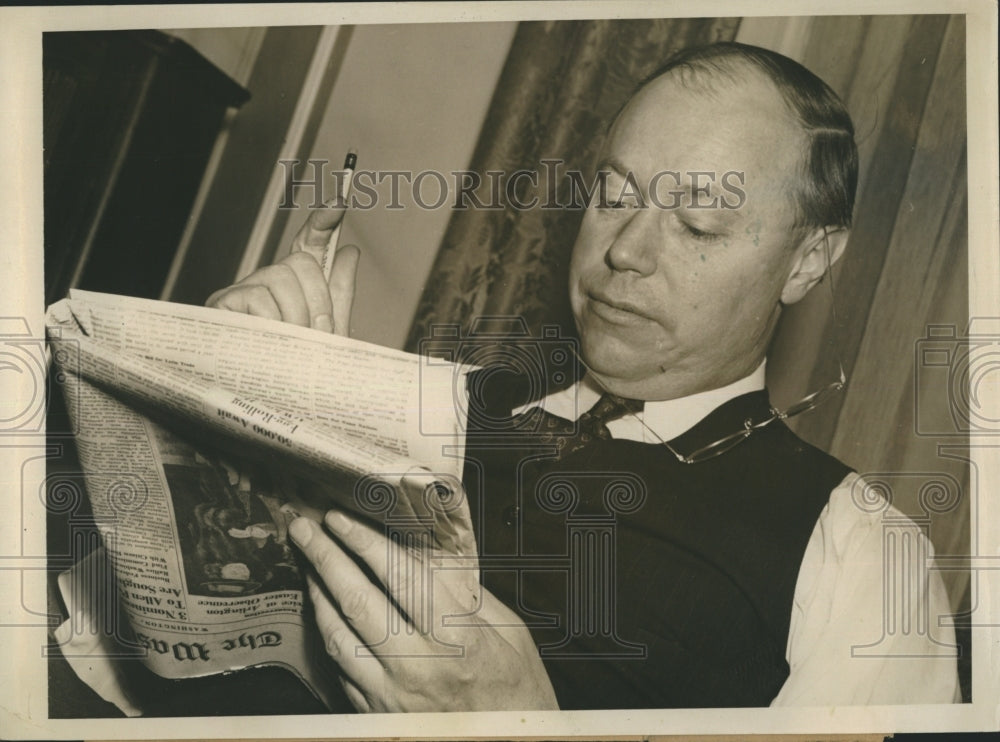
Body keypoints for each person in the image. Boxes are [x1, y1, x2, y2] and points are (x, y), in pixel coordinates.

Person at [206, 42, 960, 710]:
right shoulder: (430, 407)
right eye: (614, 194)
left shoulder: (860, 554)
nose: (625, 251)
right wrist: (235, 394)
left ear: (807, 261)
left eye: (697, 225)